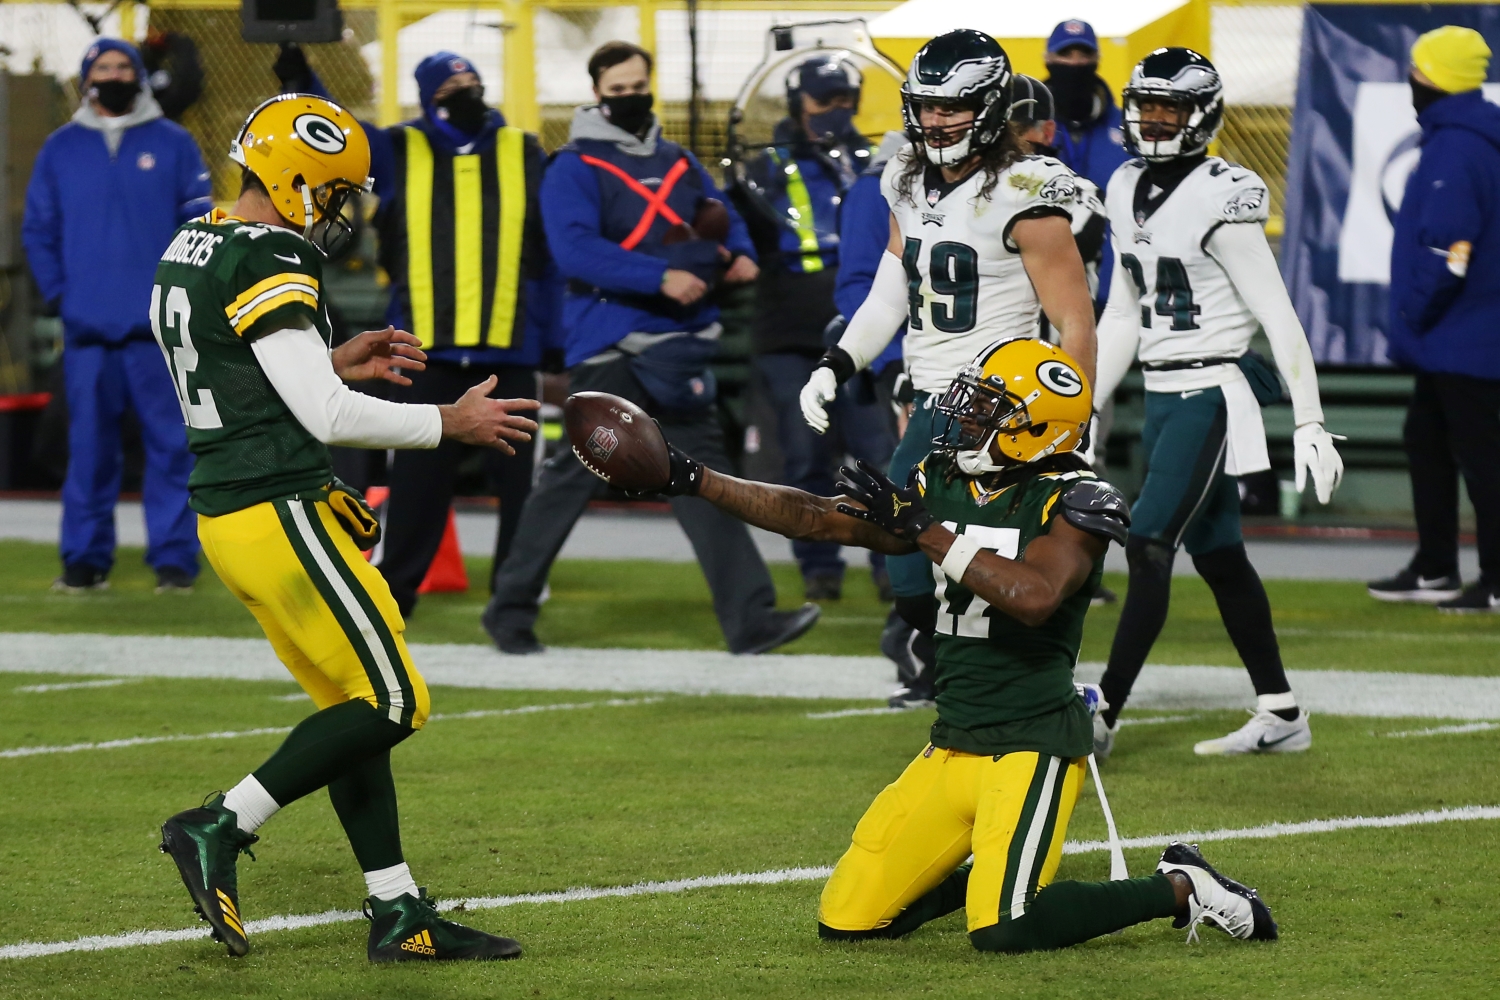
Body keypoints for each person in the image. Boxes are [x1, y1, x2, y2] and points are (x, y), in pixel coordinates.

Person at [645, 336, 1276, 951]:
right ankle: (992, 880)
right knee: (849, 920)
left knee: (1005, 930)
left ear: (1037, 428)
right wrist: (695, 477)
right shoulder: (943, 479)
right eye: (969, 404)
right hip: (953, 743)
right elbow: (814, 515)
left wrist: (923, 528)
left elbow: (1034, 597)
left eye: (986, 411)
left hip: (1032, 748)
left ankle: (1179, 887)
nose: (967, 420)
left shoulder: (1078, 498)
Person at [153, 94, 539, 962]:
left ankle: (397, 911)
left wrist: (327, 355)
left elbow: (235, 364)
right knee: (398, 700)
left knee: (351, 706)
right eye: (330, 191)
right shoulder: (275, 253)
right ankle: (219, 822)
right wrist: (451, 423)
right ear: (295, 180)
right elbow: (325, 416)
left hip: (230, 517)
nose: (336, 210)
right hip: (281, 510)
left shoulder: (198, 237)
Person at [482, 41, 820, 656]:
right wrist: (658, 277)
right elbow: (575, 250)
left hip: (678, 346)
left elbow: (718, 212)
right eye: (619, 90)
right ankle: (510, 608)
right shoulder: (573, 168)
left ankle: (750, 620)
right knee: (573, 479)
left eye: (639, 86)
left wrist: (740, 252)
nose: (632, 98)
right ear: (597, 94)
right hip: (611, 343)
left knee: (704, 483)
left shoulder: (679, 161)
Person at [799, 30, 1097, 707]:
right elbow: (890, 288)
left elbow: (1074, 321)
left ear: (990, 106)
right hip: (929, 400)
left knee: (985, 561)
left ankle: (1033, 690)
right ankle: (963, 678)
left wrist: (1072, 422)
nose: (935, 121)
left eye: (952, 107)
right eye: (926, 105)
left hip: (997, 409)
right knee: (914, 567)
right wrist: (837, 362)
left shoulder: (1029, 189)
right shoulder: (903, 174)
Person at [1090, 48, 1344, 759]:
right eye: (1147, 105)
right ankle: (1282, 710)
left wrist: (1310, 419)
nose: (1154, 118)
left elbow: (1279, 314)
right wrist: (1085, 404)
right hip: (1164, 391)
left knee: (1147, 546)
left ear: (1200, 114)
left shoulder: (1223, 193)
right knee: (1221, 556)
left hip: (1213, 391)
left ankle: (1102, 712)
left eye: (1170, 107)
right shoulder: (1120, 182)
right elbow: (1121, 313)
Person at [364, 52, 552, 618]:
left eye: (472, 78)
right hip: (429, 354)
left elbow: (547, 256)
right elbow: (339, 135)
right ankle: (394, 598)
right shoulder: (400, 148)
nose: (466, 88)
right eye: (452, 83)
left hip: (509, 348)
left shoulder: (523, 150)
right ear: (428, 96)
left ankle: (516, 597)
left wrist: (554, 338)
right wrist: (303, 82)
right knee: (418, 486)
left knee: (521, 486)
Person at [22, 39, 212, 593]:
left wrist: (181, 298)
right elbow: (38, 229)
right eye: (103, 68)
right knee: (88, 455)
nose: (114, 75)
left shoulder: (175, 144)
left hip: (157, 333)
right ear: (86, 79)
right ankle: (84, 561)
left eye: (124, 66)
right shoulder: (60, 149)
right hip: (86, 334)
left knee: (174, 449)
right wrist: (64, 296)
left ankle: (175, 562)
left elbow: (197, 225)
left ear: (140, 75)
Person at [733, 53, 894, 600]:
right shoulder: (761, 167)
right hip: (790, 333)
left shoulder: (876, 162)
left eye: (845, 100)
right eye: (825, 100)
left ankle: (890, 563)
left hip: (860, 326)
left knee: (879, 455)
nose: (837, 110)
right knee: (805, 456)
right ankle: (818, 565)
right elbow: (741, 232)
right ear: (799, 102)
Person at [1369, 27, 1500, 613]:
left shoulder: (1458, 147)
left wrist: (1415, 314)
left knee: (1479, 456)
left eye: (1418, 71)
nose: (1411, 80)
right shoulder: (1468, 136)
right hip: (1464, 331)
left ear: (1435, 78)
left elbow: (1449, 249)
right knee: (1426, 440)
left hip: (1462, 333)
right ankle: (1435, 566)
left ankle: (1490, 577)